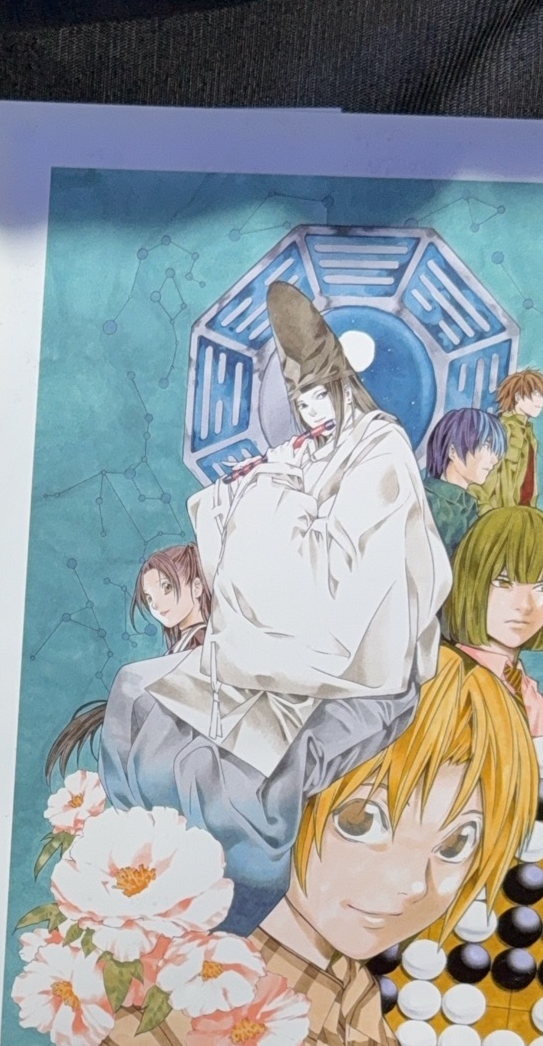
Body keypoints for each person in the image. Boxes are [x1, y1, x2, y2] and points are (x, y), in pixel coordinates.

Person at [100, 282, 451, 930]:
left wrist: (276, 503)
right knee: (137, 693)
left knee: (250, 762)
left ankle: (240, 900)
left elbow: (356, 574)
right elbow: (225, 508)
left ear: (345, 385)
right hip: (280, 647)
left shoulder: (381, 451)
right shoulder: (309, 452)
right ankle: (132, 852)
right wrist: (253, 494)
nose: (311, 411)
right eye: (300, 400)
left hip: (360, 663)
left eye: (320, 393)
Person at [97, 648, 535, 1046]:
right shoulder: (149, 1021)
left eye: (456, 843)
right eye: (362, 821)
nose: (413, 883)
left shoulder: (358, 1001)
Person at [46, 541, 211, 782]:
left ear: (197, 587)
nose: (157, 605)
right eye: (149, 598)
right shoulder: (181, 647)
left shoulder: (203, 646)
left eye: (167, 587)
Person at [443, 502, 543, 739]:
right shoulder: (449, 680)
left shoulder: (533, 697)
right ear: (472, 582)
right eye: (504, 583)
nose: (524, 604)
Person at [420, 405, 506, 557]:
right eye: (486, 446)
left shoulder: (468, 505)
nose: (494, 460)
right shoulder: (429, 501)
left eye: (495, 450)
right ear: (452, 451)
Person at [477, 368, 543, 511]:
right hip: (499, 512)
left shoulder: (529, 434)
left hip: (523, 511)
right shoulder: (502, 429)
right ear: (517, 397)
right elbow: (485, 474)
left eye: (542, 395)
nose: (541, 401)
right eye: (535, 394)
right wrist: (486, 510)